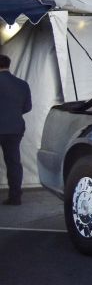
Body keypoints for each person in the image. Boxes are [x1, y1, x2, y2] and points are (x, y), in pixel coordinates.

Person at [0, 54, 32, 206]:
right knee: (14, 163)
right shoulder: (22, 84)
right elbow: (27, 107)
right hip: (14, 128)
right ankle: (15, 197)